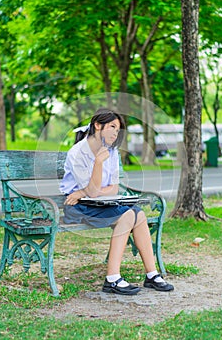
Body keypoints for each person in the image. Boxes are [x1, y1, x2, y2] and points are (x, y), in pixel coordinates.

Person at [60, 108, 174, 295]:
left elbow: (112, 188)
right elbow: (94, 192)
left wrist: (84, 191)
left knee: (139, 215)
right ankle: (112, 279)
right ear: (97, 125)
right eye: (112, 126)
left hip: (103, 202)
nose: (116, 132)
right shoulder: (77, 153)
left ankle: (151, 275)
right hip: (77, 207)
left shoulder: (111, 151)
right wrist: (97, 165)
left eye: (118, 128)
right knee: (128, 216)